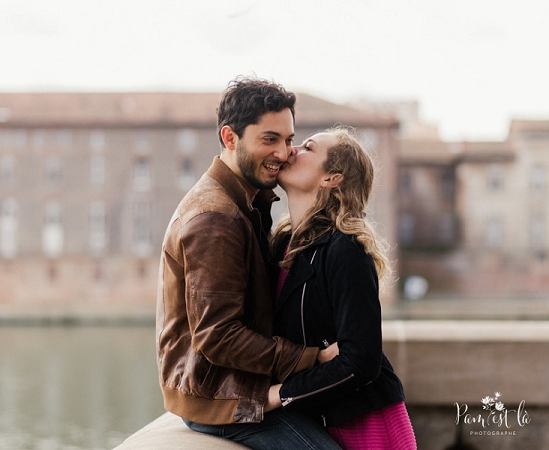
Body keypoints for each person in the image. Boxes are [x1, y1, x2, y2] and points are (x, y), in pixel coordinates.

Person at [156, 76, 341, 449]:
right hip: (220, 397)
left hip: (239, 383)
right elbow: (218, 337)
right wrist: (312, 358)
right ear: (230, 138)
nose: (284, 152)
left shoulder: (249, 200)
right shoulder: (215, 218)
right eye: (269, 139)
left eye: (289, 140)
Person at [267, 127, 417, 449]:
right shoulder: (280, 247)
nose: (292, 150)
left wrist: (279, 394)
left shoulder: (345, 249)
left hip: (367, 426)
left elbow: (361, 361)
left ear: (331, 178)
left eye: (307, 147)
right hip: (314, 419)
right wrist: (318, 356)